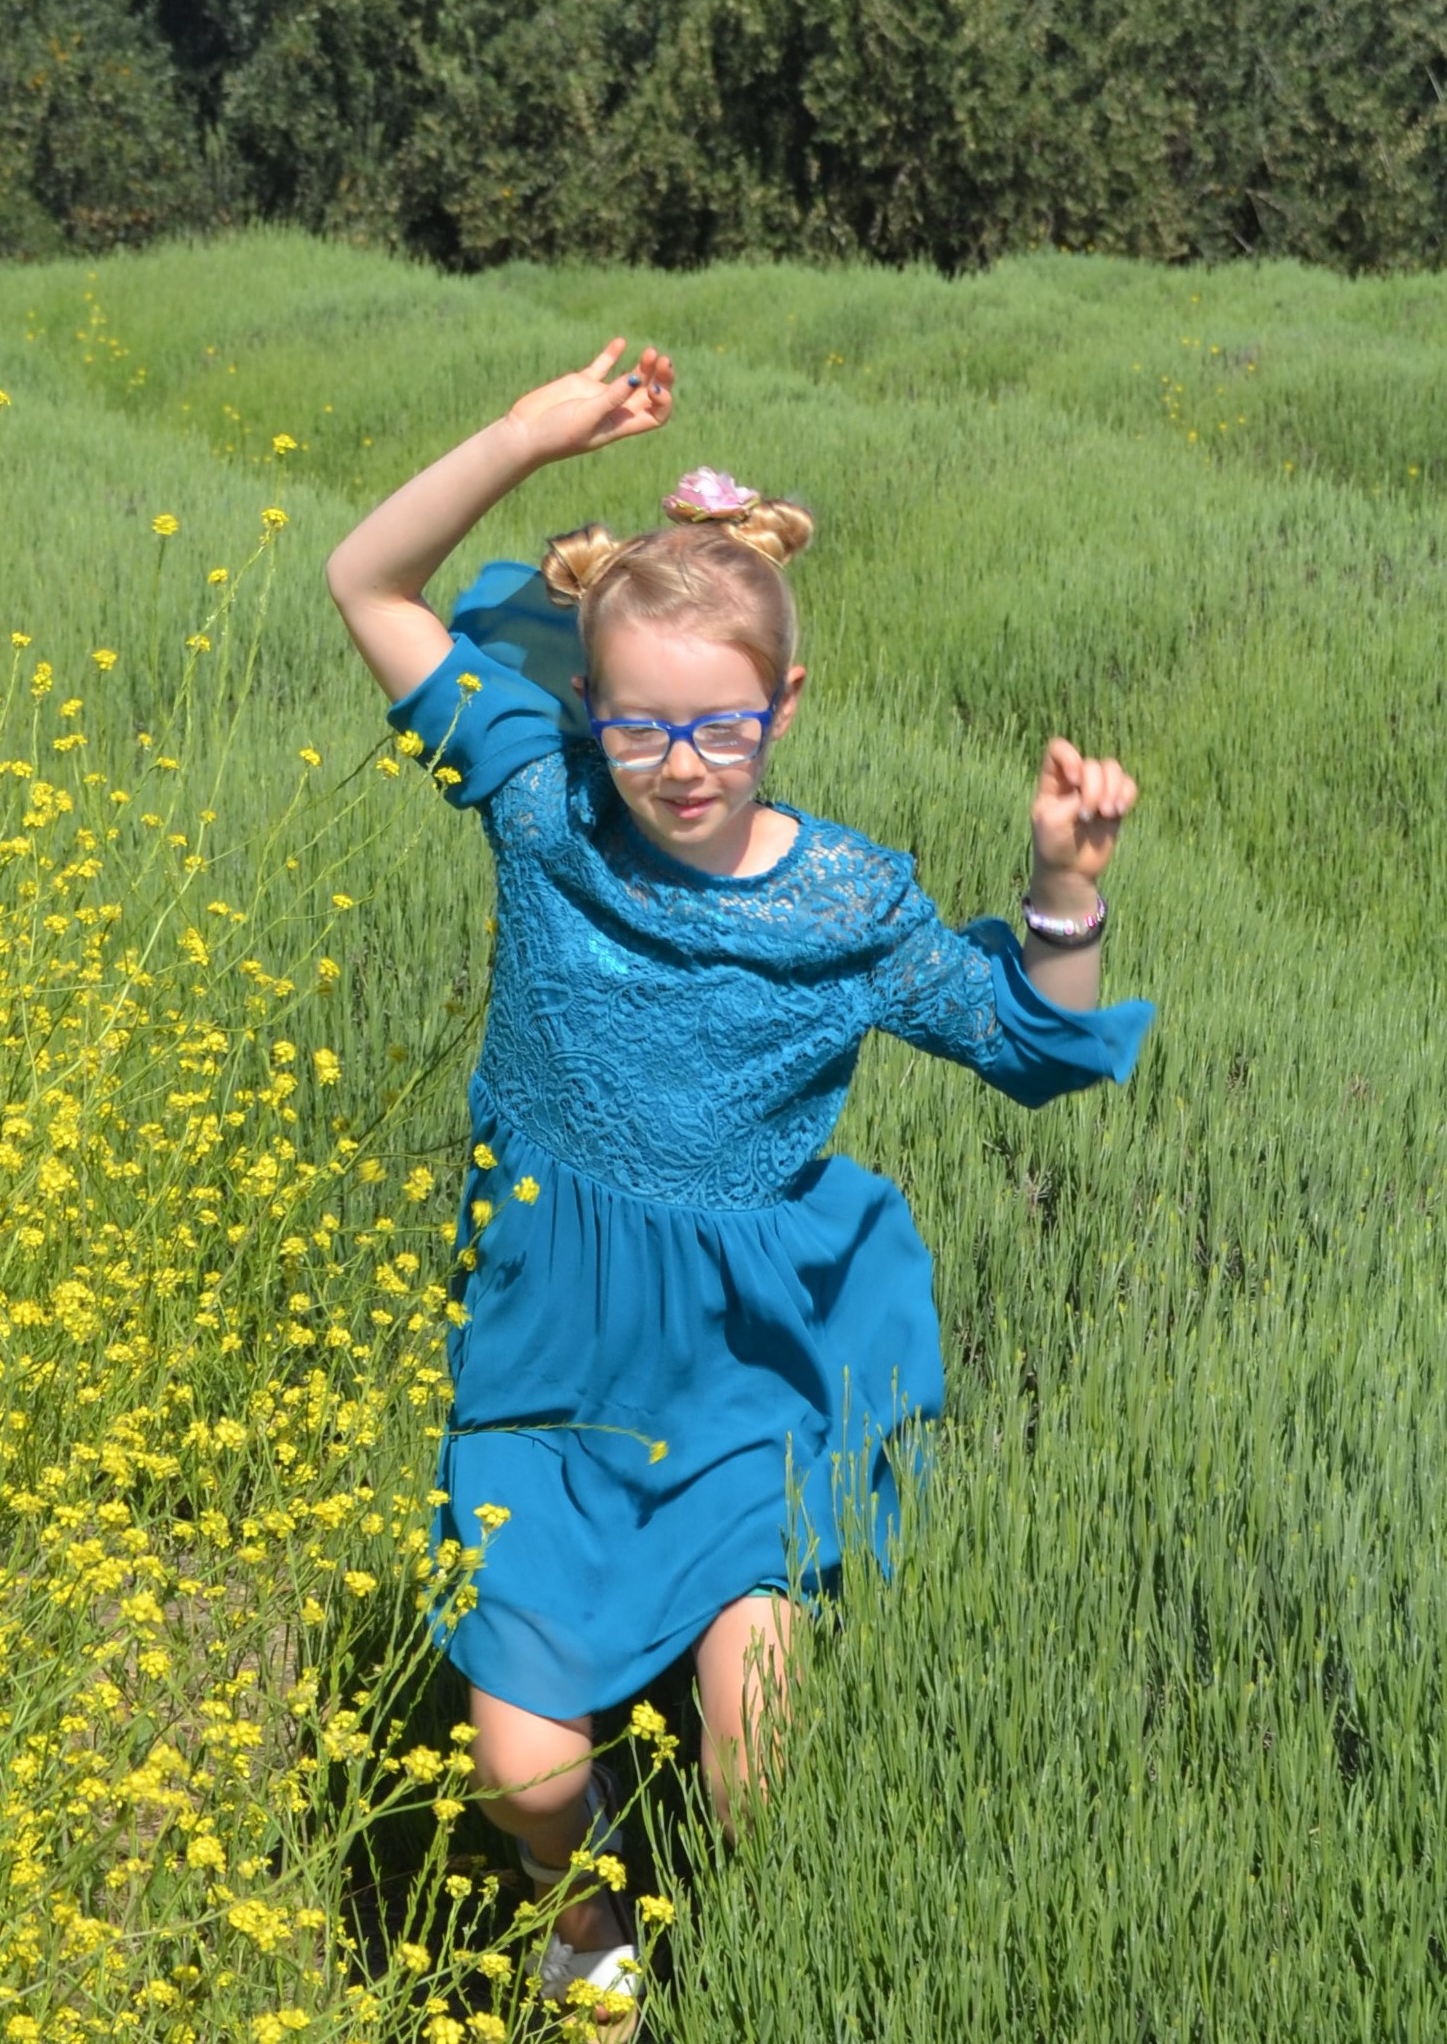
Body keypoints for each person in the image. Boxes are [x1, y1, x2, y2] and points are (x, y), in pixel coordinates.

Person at [325, 342, 1154, 2031]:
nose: (678, 761)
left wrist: (1059, 892)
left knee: (752, 1751)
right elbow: (367, 579)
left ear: (781, 708)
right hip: (546, 1371)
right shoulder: (540, 809)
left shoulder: (839, 904)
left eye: (716, 723)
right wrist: (523, 432)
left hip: (740, 1373)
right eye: (639, 722)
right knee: (522, 1772)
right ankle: (588, 1917)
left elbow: (1025, 1043)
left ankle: (763, 1965)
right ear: (591, 708)